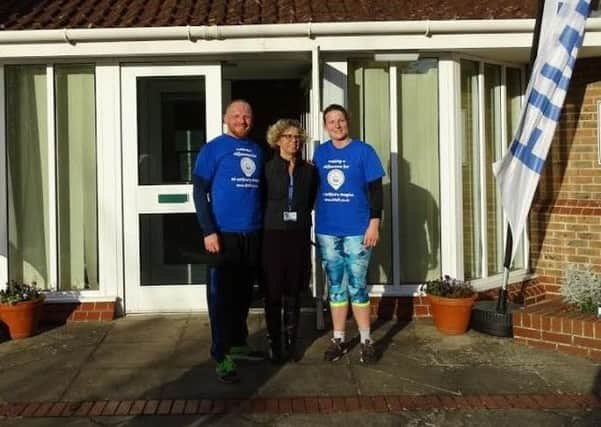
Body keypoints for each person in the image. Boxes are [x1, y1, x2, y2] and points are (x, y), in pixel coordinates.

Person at [192, 99, 265, 383]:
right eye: (236, 115)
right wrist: (208, 230)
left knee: (243, 295)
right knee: (220, 298)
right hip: (222, 236)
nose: (242, 120)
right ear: (226, 118)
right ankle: (220, 354)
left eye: (247, 115)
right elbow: (199, 192)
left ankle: (238, 344)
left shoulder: (257, 150)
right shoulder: (213, 149)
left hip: (252, 234)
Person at [313, 104, 385, 365]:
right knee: (336, 286)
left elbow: (376, 190)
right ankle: (339, 338)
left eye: (340, 120)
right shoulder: (320, 153)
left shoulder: (364, 151)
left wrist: (374, 223)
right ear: (325, 126)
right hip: (327, 230)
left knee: (357, 284)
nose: (337, 125)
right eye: (331, 121)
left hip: (358, 230)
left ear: (348, 122)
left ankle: (366, 339)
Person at [262, 119, 318, 364]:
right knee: (273, 292)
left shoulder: (309, 171)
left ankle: (291, 343)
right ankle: (275, 343)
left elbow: (311, 199)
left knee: (294, 291)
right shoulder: (267, 169)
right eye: (288, 136)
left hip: (299, 234)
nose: (293, 141)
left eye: (297, 137)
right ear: (277, 140)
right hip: (273, 236)